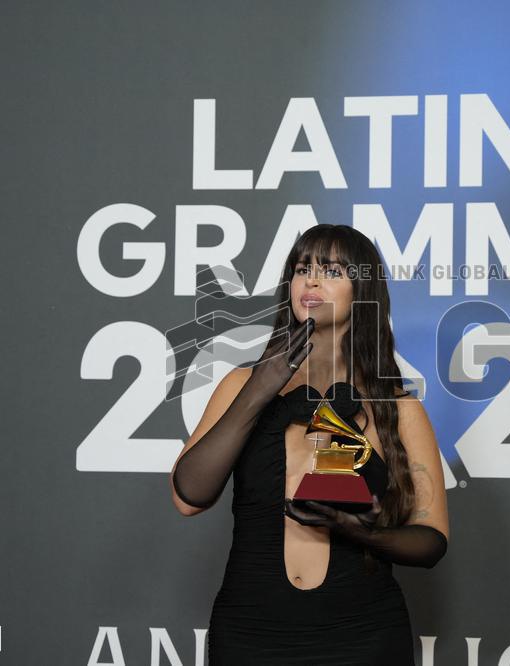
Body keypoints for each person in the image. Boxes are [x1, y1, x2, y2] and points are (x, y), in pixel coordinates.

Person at [170, 224, 449, 665]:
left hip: (363, 634)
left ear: (364, 290)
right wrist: (260, 389)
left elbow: (431, 541)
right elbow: (188, 497)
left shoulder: (397, 409)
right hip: (250, 633)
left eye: (332, 269)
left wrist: (360, 532)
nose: (312, 280)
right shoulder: (242, 385)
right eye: (303, 268)